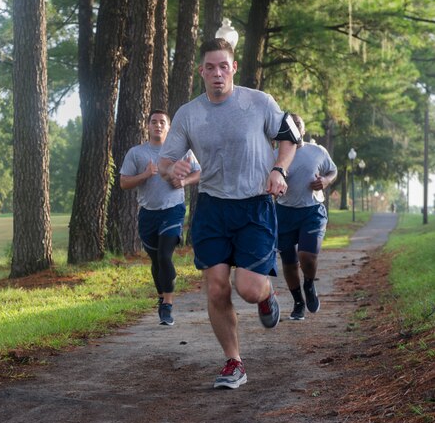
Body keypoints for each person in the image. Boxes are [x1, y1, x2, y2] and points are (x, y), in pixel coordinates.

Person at [158, 38, 300, 389]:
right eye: (210, 67)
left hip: (255, 204)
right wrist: (170, 171)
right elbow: (165, 160)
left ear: (233, 68)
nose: (217, 73)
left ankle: (266, 295)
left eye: (224, 66)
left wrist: (279, 170)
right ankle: (234, 362)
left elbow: (291, 137)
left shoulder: (259, 102)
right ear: (201, 71)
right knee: (217, 287)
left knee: (248, 289)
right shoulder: (189, 113)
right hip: (212, 207)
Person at [120, 109, 200, 326]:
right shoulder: (136, 153)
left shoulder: (181, 152)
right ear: (147, 126)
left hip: (173, 209)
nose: (158, 125)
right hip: (148, 213)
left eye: (162, 122)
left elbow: (198, 172)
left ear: (169, 127)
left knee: (165, 256)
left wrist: (183, 182)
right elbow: (124, 182)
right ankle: (162, 295)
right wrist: (145, 175)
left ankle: (167, 305)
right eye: (153, 122)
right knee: (156, 260)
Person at [275, 114, 337, 321]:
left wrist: (326, 181)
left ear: (302, 130)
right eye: (289, 126)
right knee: (289, 263)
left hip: (312, 211)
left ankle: (309, 284)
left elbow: (333, 171)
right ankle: (298, 302)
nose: (294, 129)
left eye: (297, 125)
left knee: (307, 256)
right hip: (283, 212)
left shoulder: (317, 151)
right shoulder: (275, 155)